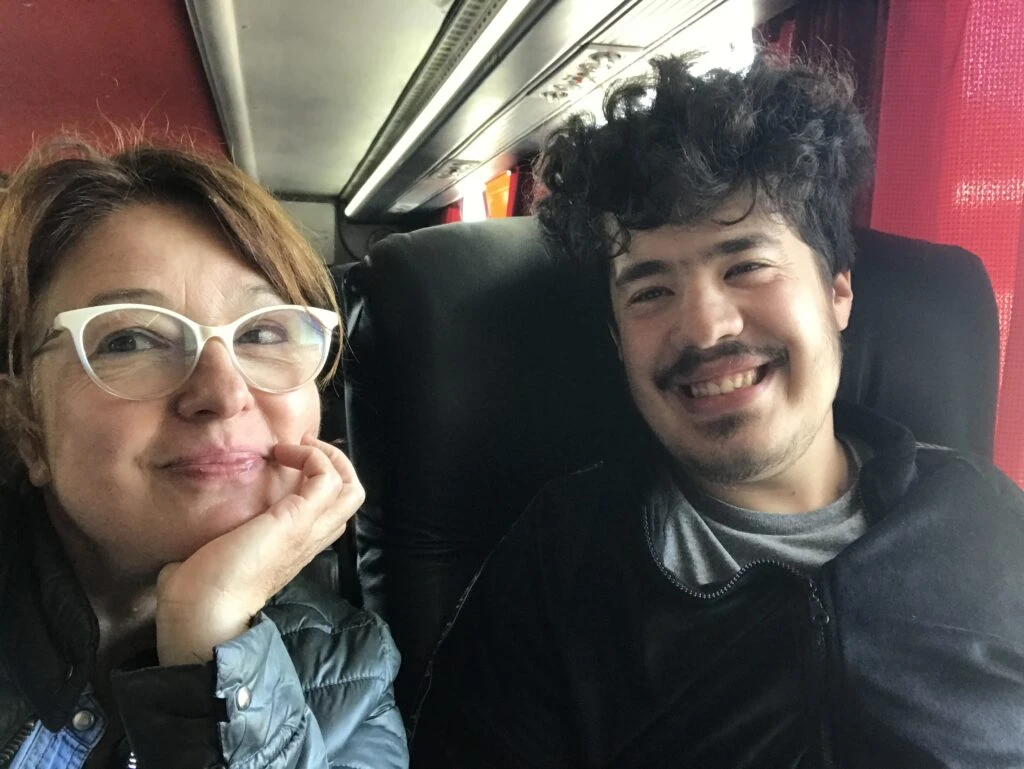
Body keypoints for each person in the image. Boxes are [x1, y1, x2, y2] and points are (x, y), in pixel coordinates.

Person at [412, 55, 1024, 767]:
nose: (704, 329)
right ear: (616, 338)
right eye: (650, 292)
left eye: (746, 266)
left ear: (837, 291)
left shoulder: (987, 518)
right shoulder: (558, 570)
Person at [0, 141, 408, 768]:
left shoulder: (350, 669)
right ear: (25, 426)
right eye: (130, 340)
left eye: (263, 332)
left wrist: (213, 641)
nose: (223, 393)